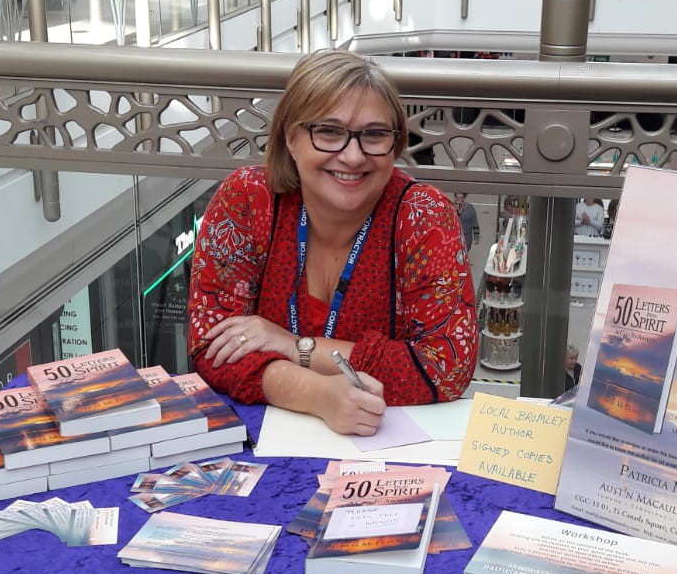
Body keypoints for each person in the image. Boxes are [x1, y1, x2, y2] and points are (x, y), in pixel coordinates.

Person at [189, 51, 478, 434]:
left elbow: (445, 368)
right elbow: (211, 344)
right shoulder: (246, 199)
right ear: (290, 137)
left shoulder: (424, 217)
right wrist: (317, 394)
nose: (353, 155)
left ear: (394, 145)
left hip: (382, 450)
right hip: (265, 443)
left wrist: (295, 347)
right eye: (328, 131)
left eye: (374, 134)